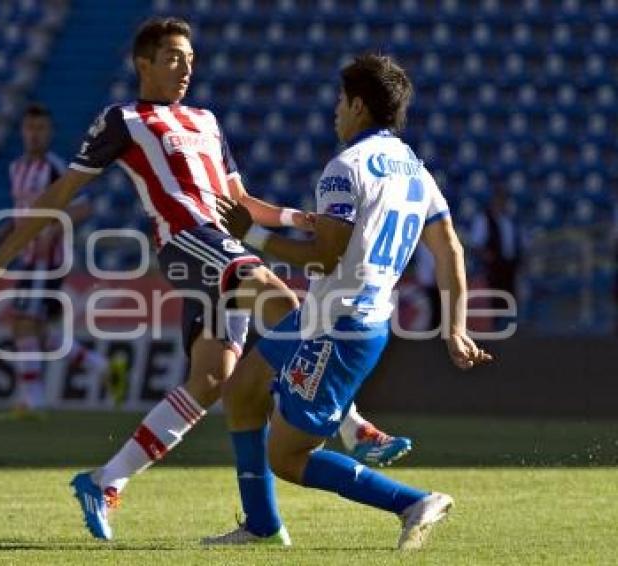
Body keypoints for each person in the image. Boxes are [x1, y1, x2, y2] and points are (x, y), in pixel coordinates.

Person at [0, 18, 410, 541]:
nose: (186, 68)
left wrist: (296, 219)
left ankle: (104, 481)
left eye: (191, 59)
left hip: (223, 246)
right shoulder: (123, 119)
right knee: (278, 296)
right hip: (184, 243)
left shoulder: (205, 120)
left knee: (212, 380)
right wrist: (1, 257)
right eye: (174, 58)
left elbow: (241, 204)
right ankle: (353, 425)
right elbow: (61, 193)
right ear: (143, 64)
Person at [204, 54, 492, 549]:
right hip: (331, 316)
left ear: (358, 105)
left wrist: (250, 233)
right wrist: (456, 327)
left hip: (339, 327)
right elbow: (450, 250)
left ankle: (411, 502)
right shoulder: (415, 171)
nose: (336, 110)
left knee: (288, 456)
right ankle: (261, 526)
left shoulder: (345, 169)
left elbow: (322, 257)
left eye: (341, 100)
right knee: (244, 390)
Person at [1, 104, 123, 416]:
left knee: (23, 323)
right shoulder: (16, 168)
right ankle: (103, 367)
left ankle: (34, 403)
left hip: (49, 261)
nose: (34, 135)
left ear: (49, 133)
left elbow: (83, 208)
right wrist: (5, 235)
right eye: (29, 129)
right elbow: (22, 214)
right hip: (29, 259)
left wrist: (51, 228)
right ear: (22, 132)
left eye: (40, 129)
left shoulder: (55, 168)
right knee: (36, 330)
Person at [469, 187, 519, 331]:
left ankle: (508, 326)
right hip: (494, 266)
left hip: (510, 264)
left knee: (510, 295)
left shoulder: (509, 220)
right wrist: (487, 256)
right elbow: (476, 243)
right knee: (496, 295)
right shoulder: (484, 219)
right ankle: (495, 327)